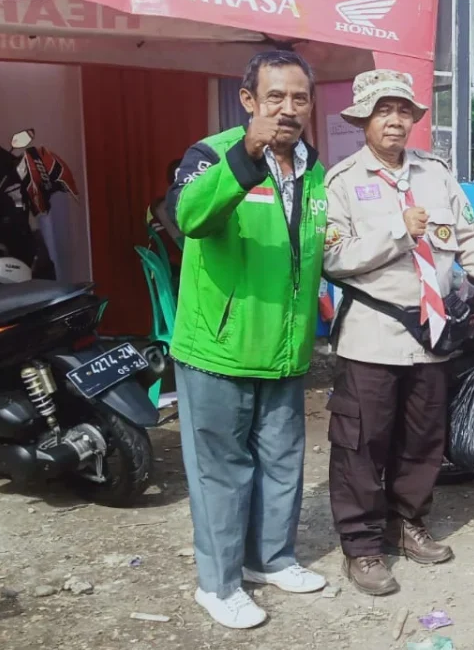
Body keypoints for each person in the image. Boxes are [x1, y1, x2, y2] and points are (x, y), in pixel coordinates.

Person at [322, 69, 474, 596]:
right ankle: (361, 547)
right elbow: (332, 258)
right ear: (363, 119)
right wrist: (395, 233)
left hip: (433, 333)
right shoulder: (341, 181)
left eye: (401, 110)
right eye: (381, 111)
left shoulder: (436, 174)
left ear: (413, 117)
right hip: (372, 334)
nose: (392, 120)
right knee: (362, 441)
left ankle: (406, 521)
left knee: (423, 438)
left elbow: (469, 237)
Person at [165, 50, 329, 629]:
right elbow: (187, 216)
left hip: (285, 349)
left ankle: (272, 559)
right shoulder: (212, 155)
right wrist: (247, 154)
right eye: (275, 97)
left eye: (300, 98)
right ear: (249, 100)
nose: (288, 110)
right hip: (220, 349)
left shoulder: (312, 167)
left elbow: (315, 249)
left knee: (283, 461)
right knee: (222, 471)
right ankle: (219, 582)